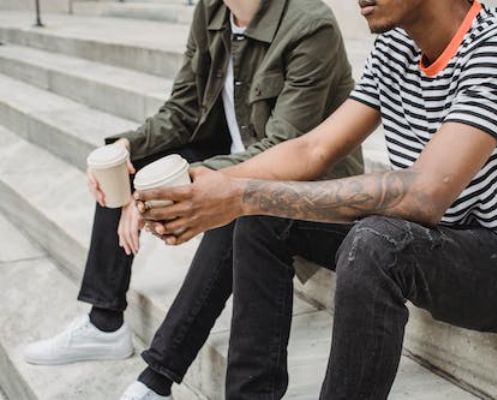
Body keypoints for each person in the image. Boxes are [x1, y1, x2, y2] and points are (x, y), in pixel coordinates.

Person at [137, 0, 497, 398]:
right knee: (265, 216)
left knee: (376, 243)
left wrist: (241, 193)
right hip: (443, 239)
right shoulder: (396, 46)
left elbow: (424, 195)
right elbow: (313, 149)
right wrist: (206, 187)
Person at [23, 0, 362, 399]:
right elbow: (183, 109)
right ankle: (104, 321)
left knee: (234, 201)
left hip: (307, 185)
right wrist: (126, 146)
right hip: (239, 154)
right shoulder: (212, 10)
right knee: (126, 162)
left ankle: (157, 378)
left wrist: (186, 183)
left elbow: (286, 149)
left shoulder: (309, 25)